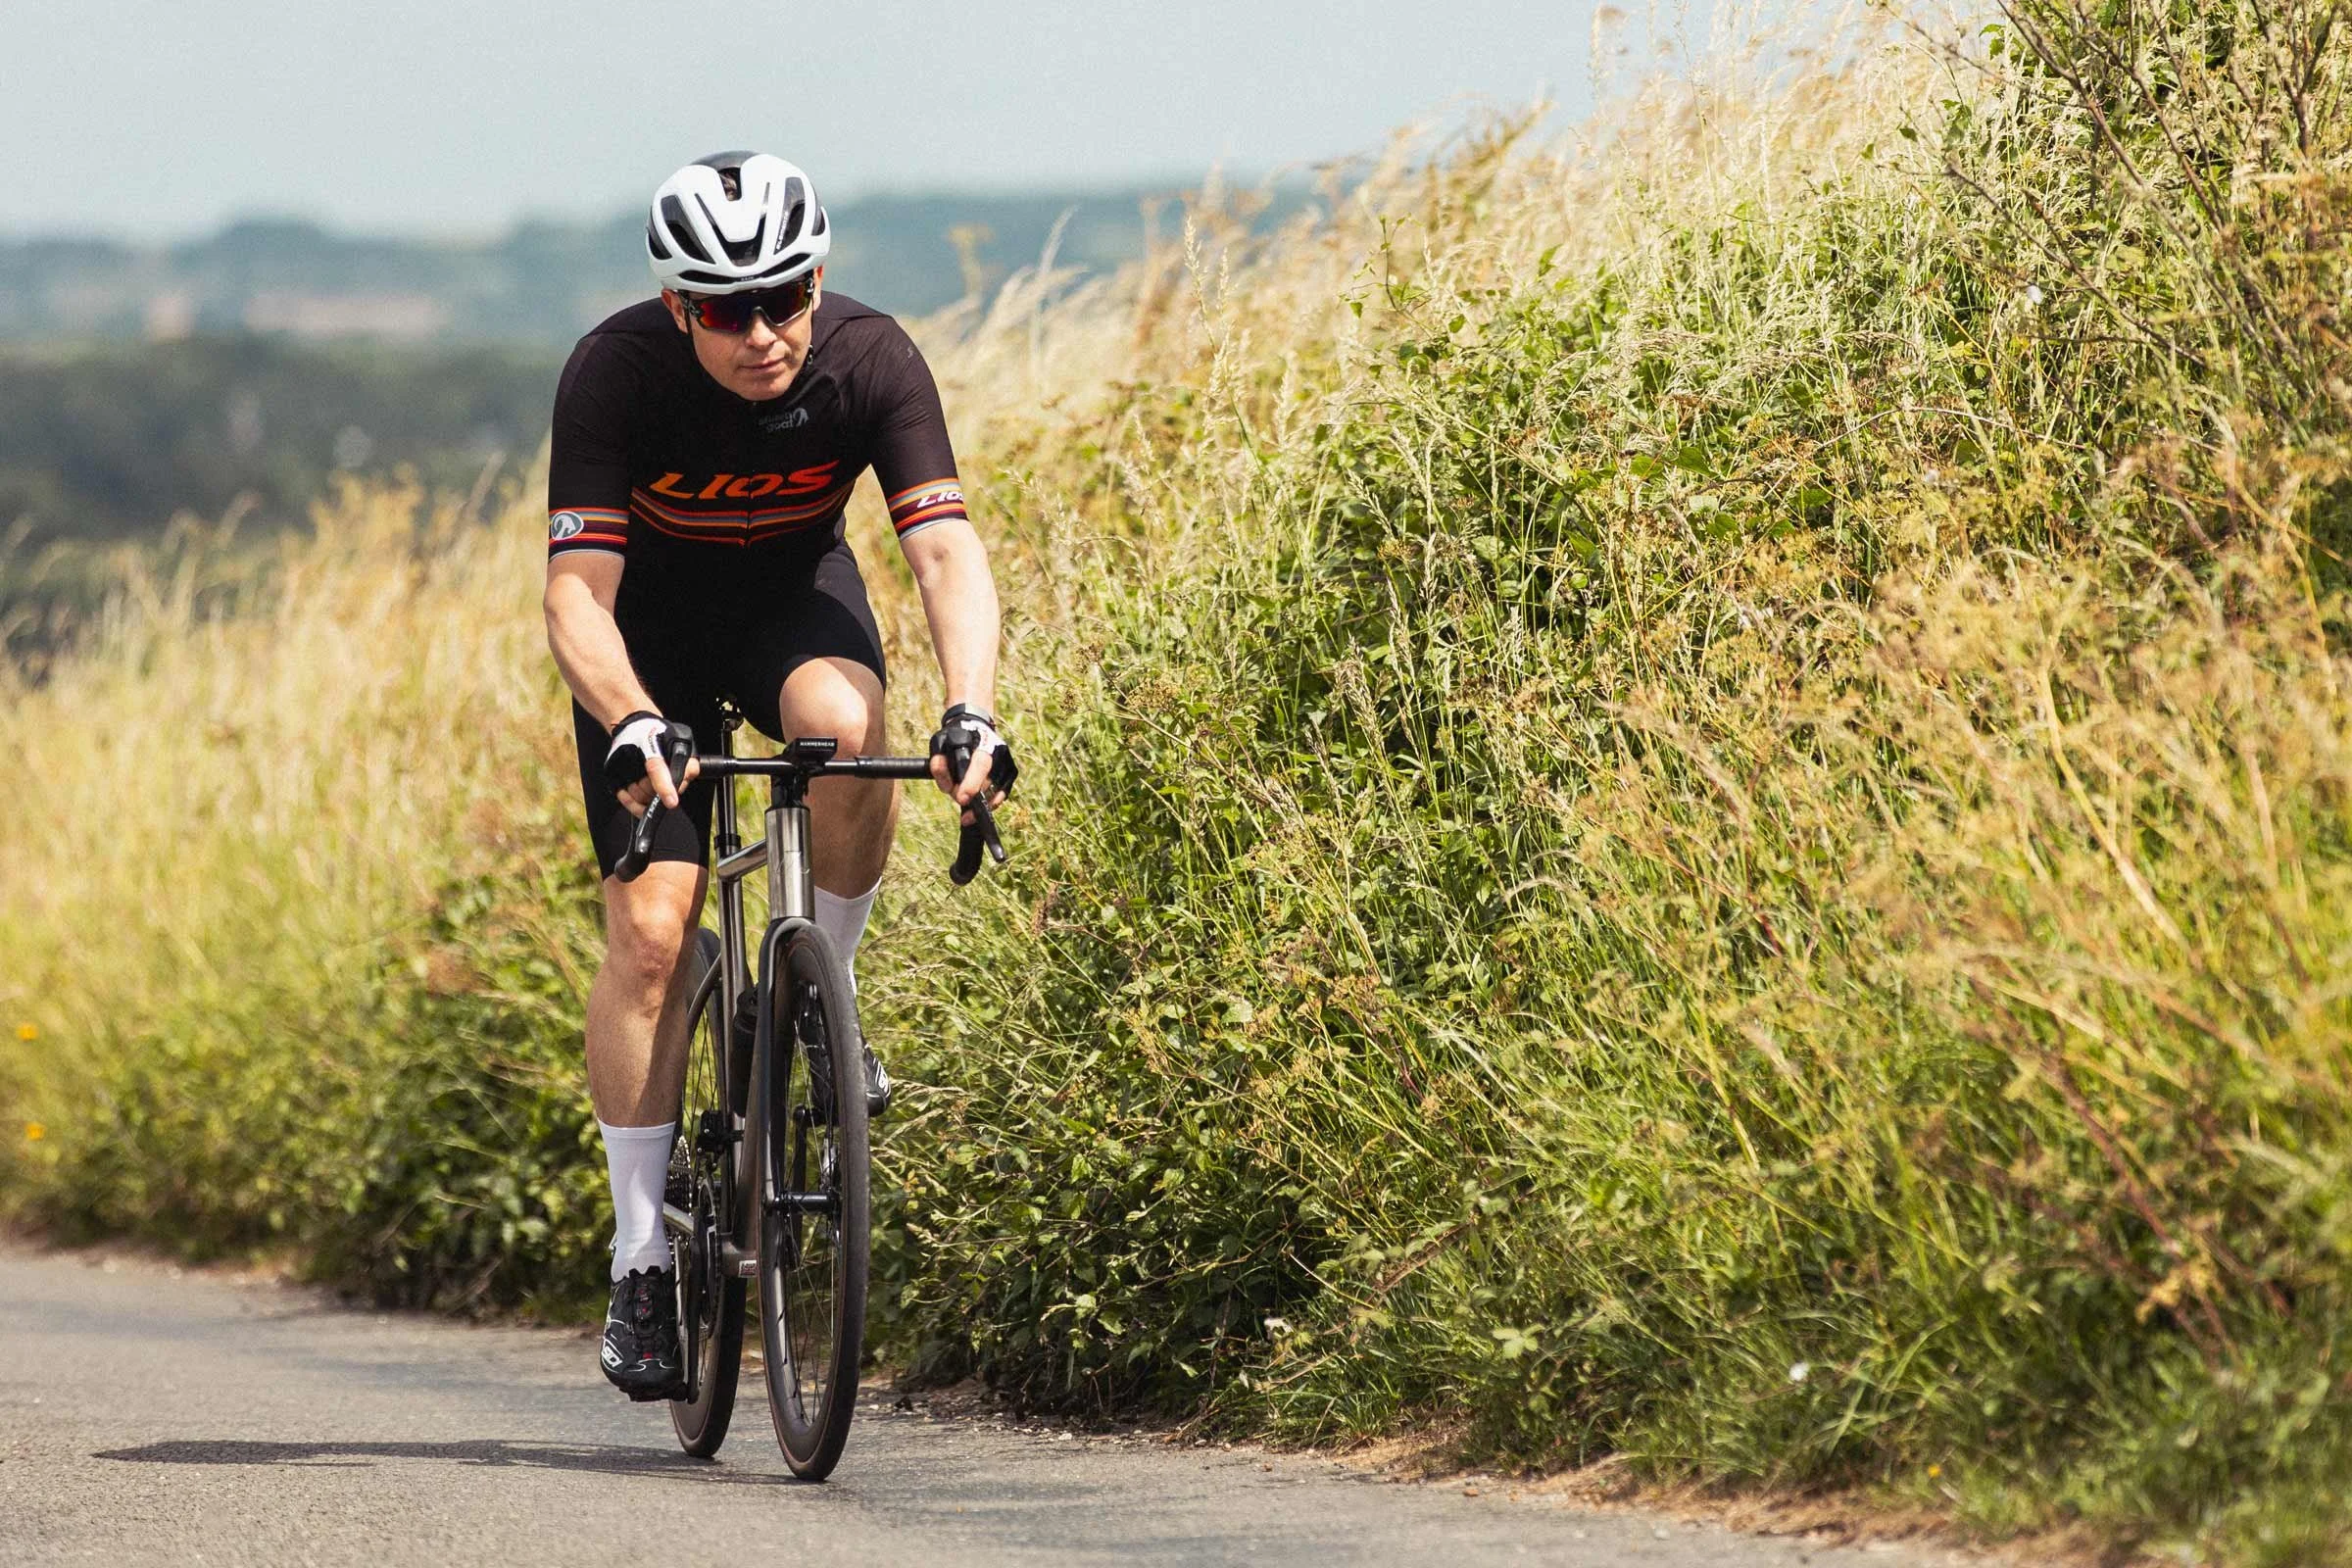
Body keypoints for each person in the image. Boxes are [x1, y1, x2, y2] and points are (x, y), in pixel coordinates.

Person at [542, 151, 1015, 1400]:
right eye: (726, 309)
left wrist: (973, 709)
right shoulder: (614, 372)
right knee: (653, 935)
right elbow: (574, 599)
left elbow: (946, 551)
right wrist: (634, 718)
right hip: (646, 645)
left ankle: (823, 996)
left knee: (855, 732)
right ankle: (642, 1254)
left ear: (819, 275)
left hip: (789, 605)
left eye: (787, 295)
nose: (763, 332)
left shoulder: (869, 358)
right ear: (677, 307)